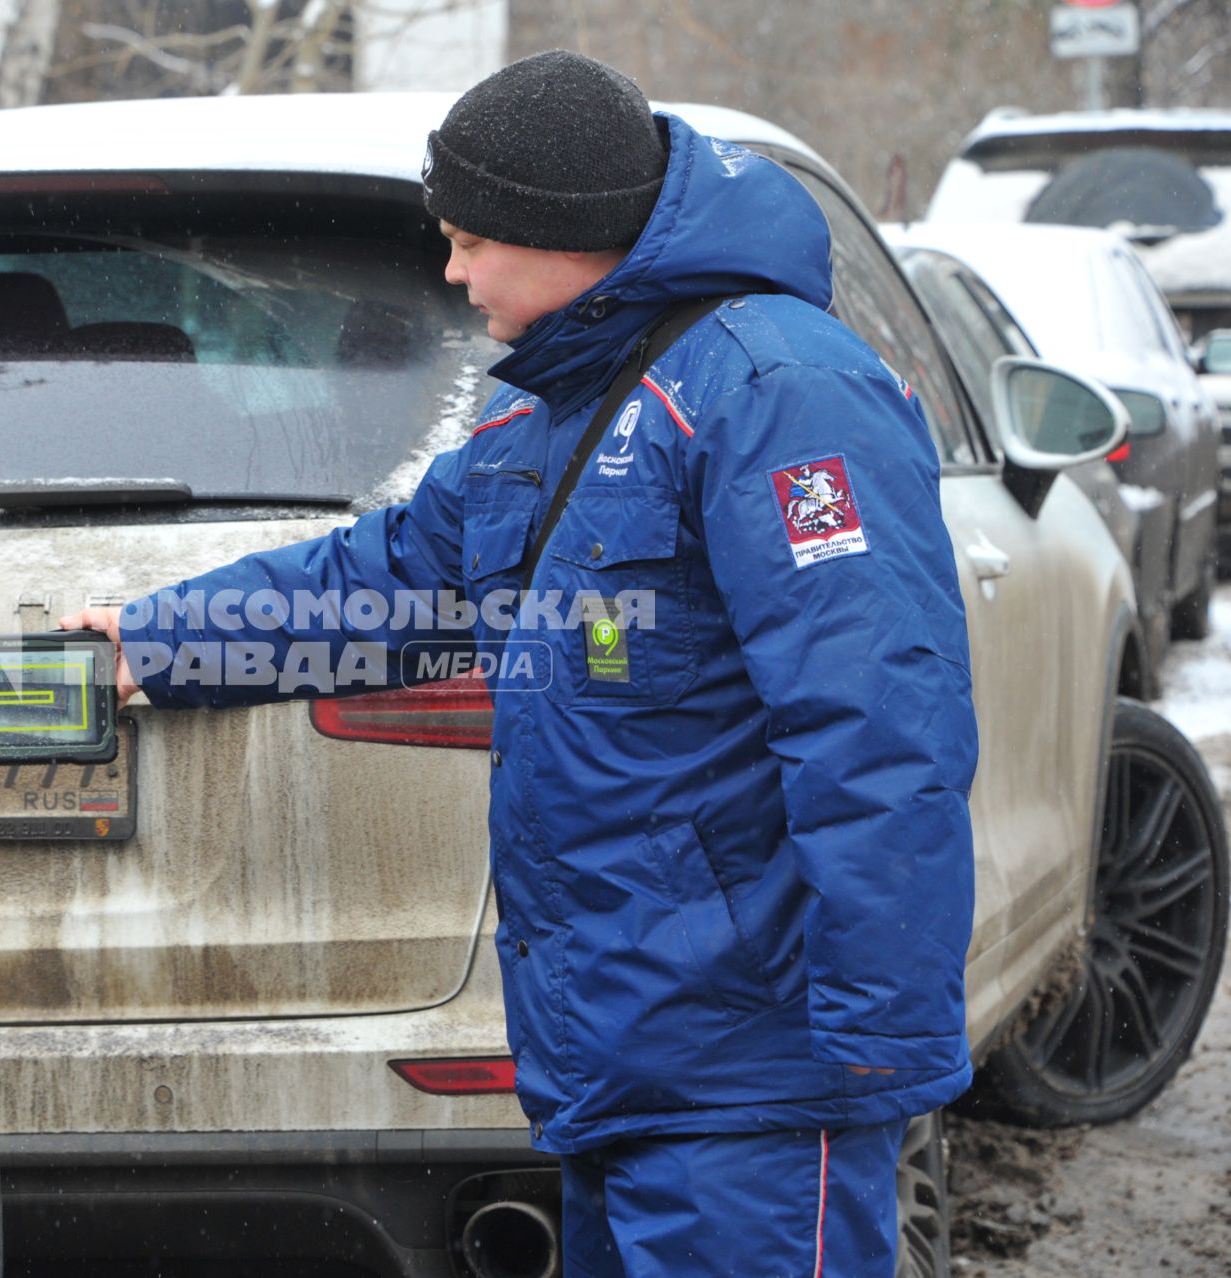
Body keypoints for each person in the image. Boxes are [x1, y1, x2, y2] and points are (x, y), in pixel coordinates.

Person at [60, 50, 977, 1278]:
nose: (453, 272)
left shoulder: (778, 390)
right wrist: (163, 643)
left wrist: (877, 1042)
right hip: (625, 1059)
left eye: (470, 239)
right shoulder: (548, 416)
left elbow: (879, 726)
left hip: (751, 1069)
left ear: (568, 233)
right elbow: (385, 576)